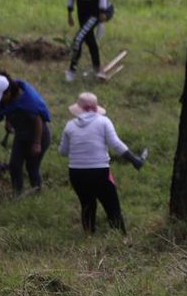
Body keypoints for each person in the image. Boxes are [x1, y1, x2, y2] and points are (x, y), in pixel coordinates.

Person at [58, 92, 146, 234]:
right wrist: (134, 160)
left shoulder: (70, 126)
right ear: (95, 107)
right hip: (99, 172)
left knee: (87, 204)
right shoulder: (103, 121)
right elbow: (115, 144)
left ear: (79, 109)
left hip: (76, 173)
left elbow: (62, 151)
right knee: (111, 205)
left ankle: (89, 235)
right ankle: (120, 236)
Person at [0, 73, 52, 195]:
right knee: (14, 165)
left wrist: (37, 143)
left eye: (1, 97)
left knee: (32, 167)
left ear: (8, 92)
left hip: (38, 136)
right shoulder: (7, 97)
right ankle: (17, 193)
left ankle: (37, 193)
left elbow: (38, 120)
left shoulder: (28, 101)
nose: (0, 100)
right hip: (21, 135)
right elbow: (7, 107)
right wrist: (8, 121)